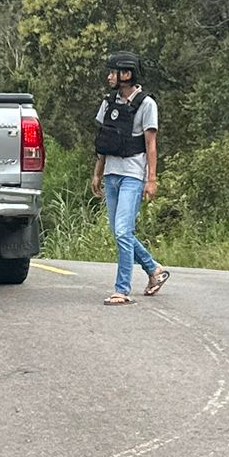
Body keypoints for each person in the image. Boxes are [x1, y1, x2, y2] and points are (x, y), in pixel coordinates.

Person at [90, 51, 170, 306]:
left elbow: (151, 144)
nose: (109, 76)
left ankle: (121, 289)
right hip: (112, 174)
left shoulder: (147, 104)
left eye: (113, 72)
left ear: (126, 74)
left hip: (133, 174)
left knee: (124, 230)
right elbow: (104, 139)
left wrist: (151, 179)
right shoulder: (108, 102)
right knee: (118, 232)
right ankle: (153, 269)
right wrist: (97, 172)